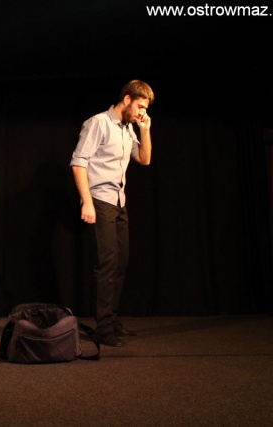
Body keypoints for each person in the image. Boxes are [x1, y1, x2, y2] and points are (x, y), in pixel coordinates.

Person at [70, 80, 154, 347]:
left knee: (121, 263)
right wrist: (87, 202)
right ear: (127, 100)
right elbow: (78, 162)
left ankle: (112, 319)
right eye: (140, 106)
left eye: (145, 109)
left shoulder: (128, 129)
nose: (142, 112)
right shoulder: (99, 123)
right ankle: (103, 327)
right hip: (100, 200)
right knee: (107, 264)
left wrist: (144, 130)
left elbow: (144, 159)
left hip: (119, 202)